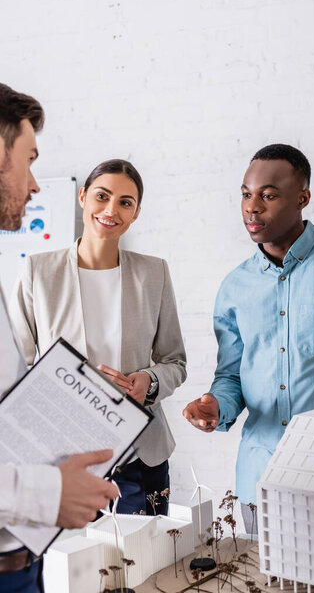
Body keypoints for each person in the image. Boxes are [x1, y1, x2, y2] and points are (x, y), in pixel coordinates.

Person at [183, 143, 314, 533]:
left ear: (303, 198)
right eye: (246, 195)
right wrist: (217, 406)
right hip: (259, 476)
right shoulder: (235, 286)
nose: (252, 207)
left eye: (268, 195)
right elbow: (231, 377)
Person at [10, 158, 187, 517]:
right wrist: (78, 388)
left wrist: (148, 382)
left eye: (125, 202)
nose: (111, 210)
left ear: (136, 213)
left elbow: (175, 362)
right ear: (82, 197)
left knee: (146, 567)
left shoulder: (154, 273)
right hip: (63, 460)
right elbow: (16, 369)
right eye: (102, 196)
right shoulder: (38, 271)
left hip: (141, 459)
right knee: (77, 569)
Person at [0, 83, 119, 592]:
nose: (33, 184)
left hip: (23, 557)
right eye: (28, 160)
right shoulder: (37, 271)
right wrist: (47, 491)